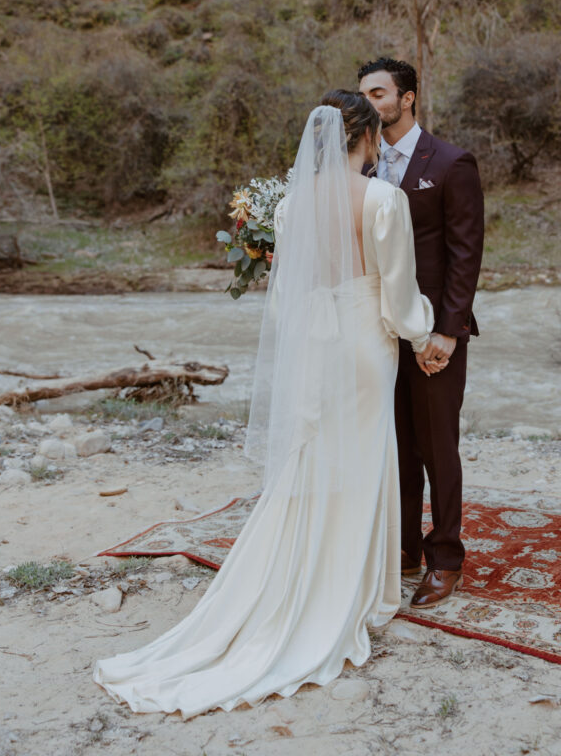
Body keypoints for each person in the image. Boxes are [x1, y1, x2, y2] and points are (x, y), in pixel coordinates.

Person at [94, 91, 448, 717]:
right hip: (366, 343)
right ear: (365, 137)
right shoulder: (383, 200)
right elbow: (397, 294)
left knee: (313, 460)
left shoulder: (290, 206)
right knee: (365, 457)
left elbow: (286, 299)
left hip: (314, 341)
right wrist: (424, 338)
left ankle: (302, 578)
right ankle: (358, 592)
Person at [358, 58, 484, 609]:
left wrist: (449, 333)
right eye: (364, 94)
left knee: (437, 446)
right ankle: (405, 548)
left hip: (434, 333)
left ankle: (445, 558)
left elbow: (465, 255)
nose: (370, 102)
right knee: (396, 445)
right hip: (377, 332)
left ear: (407, 98)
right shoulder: (359, 168)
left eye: (379, 92)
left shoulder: (452, 163)